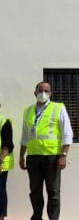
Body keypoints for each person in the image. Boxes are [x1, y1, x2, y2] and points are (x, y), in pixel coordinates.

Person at [19, 82, 73, 220]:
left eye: (46, 91)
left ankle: (53, 218)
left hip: (52, 157)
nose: (43, 93)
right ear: (35, 93)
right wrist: (21, 156)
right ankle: (37, 217)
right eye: (41, 90)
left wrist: (63, 155)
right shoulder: (28, 110)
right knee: (35, 191)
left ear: (50, 93)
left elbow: (67, 133)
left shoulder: (58, 108)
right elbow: (25, 136)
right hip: (33, 157)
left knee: (53, 191)